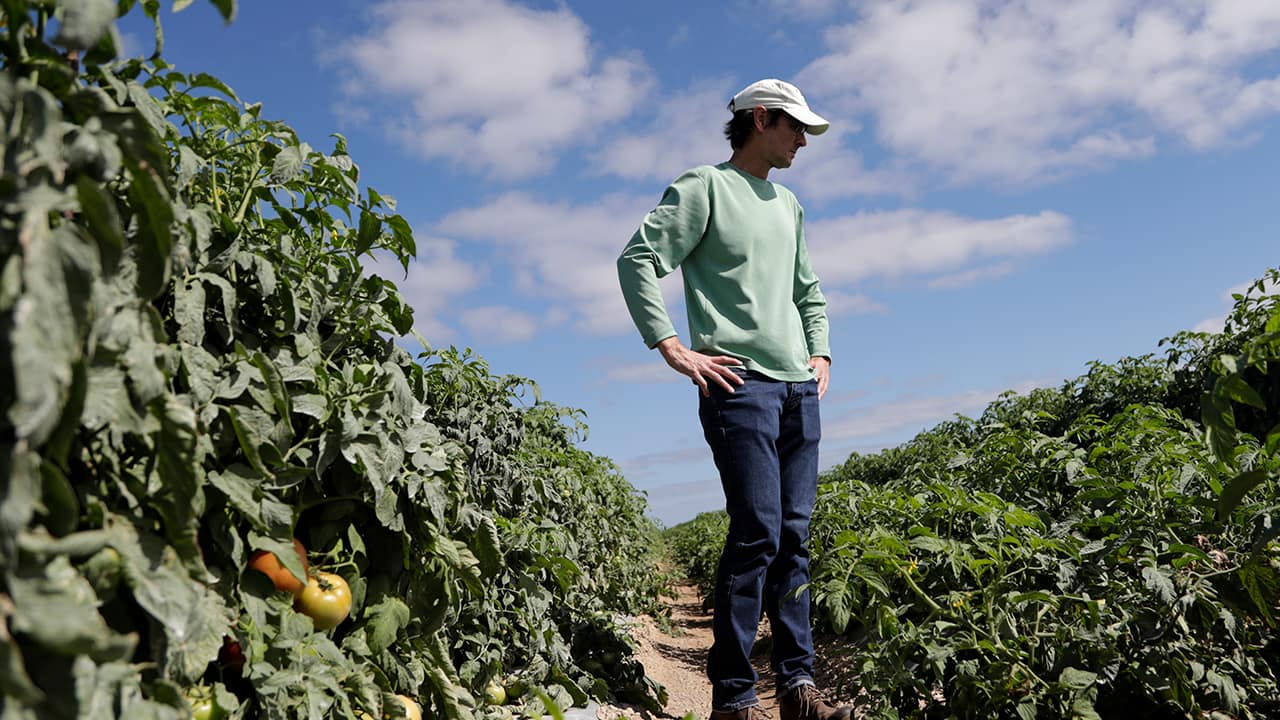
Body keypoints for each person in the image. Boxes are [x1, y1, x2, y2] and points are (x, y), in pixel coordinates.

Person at [616, 79, 851, 720]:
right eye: (795, 127)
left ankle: (799, 690)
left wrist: (821, 351)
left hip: (799, 389)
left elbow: (810, 290)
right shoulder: (704, 188)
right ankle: (734, 698)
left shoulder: (789, 205)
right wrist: (671, 345)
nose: (803, 140)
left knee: (795, 536)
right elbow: (637, 258)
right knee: (758, 532)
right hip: (739, 386)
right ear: (760, 119)